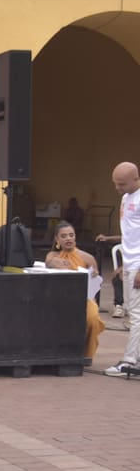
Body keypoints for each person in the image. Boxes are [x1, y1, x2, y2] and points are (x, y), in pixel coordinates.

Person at [96, 161, 140, 377]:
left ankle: (129, 361)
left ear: (136, 179)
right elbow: (131, 235)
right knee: (135, 313)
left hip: (138, 265)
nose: (118, 188)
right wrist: (124, 262)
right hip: (130, 262)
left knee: (137, 316)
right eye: (115, 184)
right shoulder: (125, 198)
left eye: (122, 184)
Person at [45, 220, 106, 359]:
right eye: (64, 236)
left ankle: (86, 356)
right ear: (57, 239)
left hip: (85, 298)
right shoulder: (52, 255)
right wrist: (58, 263)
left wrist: (94, 273)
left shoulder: (87, 257)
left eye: (71, 235)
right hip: (60, 298)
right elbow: (49, 263)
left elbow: (95, 281)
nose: (68, 239)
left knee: (92, 319)